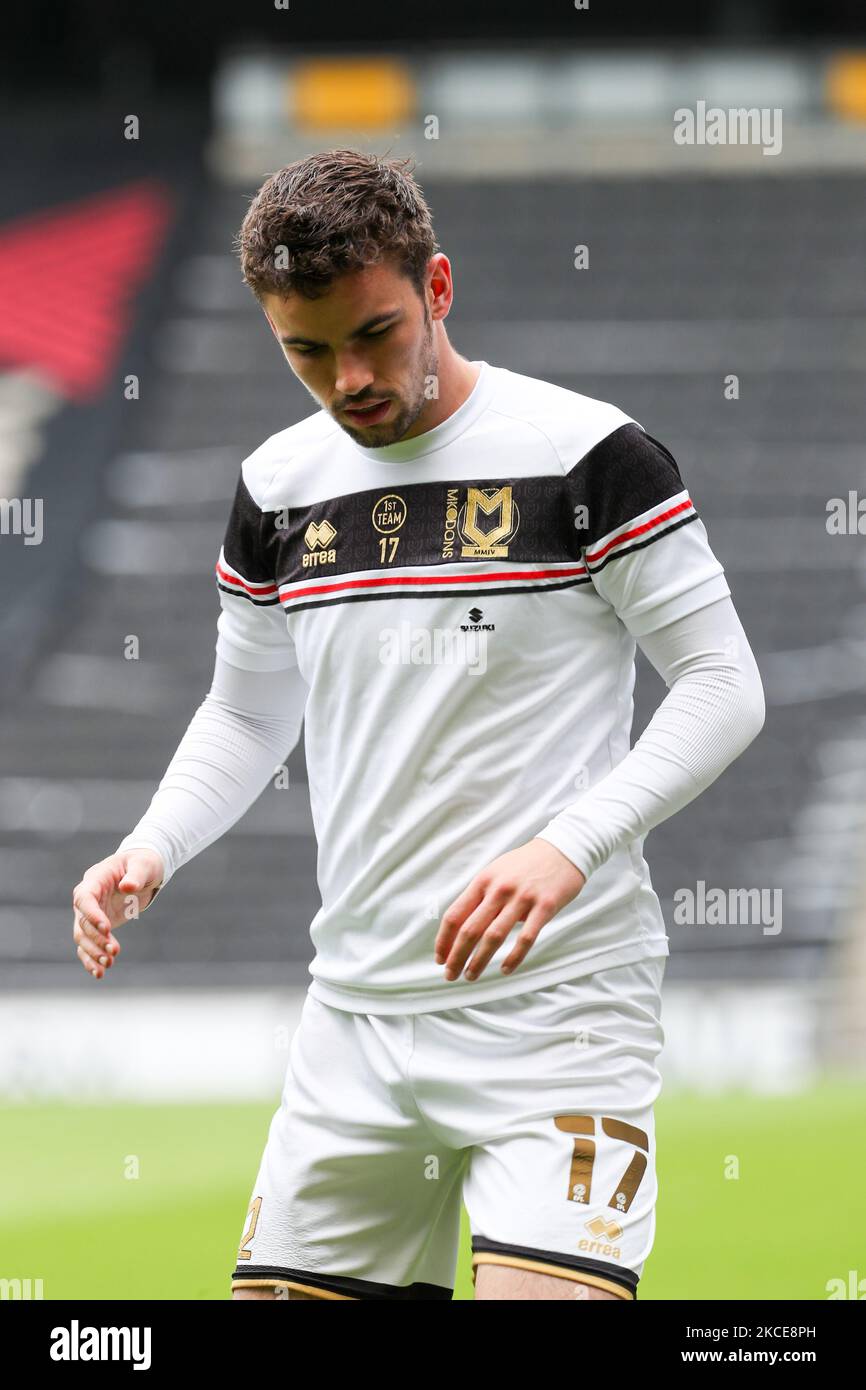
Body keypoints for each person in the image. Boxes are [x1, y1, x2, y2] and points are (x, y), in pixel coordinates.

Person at [71, 149, 765, 1301]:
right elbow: (247, 709)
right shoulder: (277, 486)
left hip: (556, 1012)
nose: (348, 378)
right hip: (353, 1017)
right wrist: (154, 843)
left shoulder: (587, 455)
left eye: (375, 334)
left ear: (437, 288)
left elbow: (721, 681)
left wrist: (569, 844)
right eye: (306, 349)